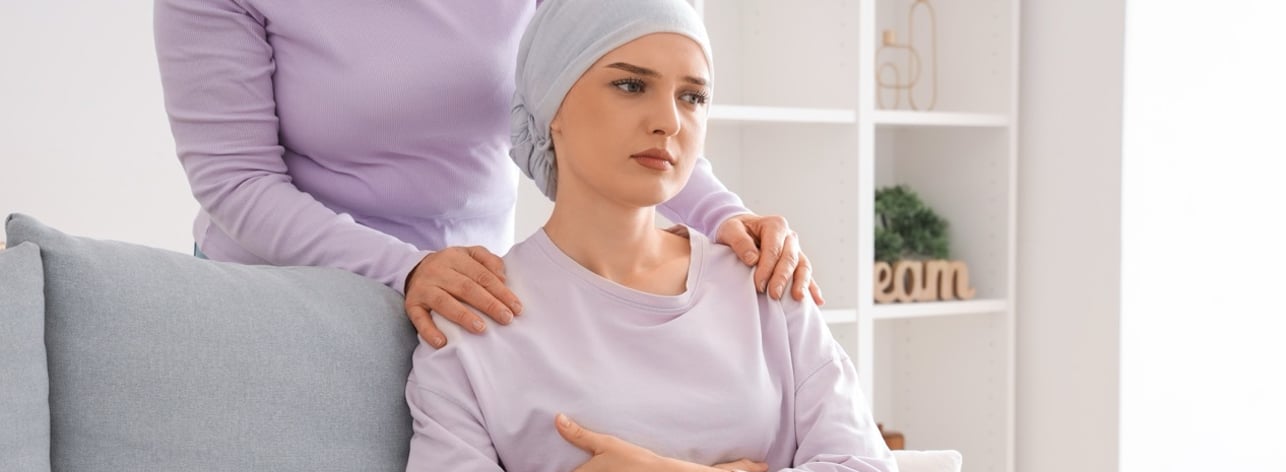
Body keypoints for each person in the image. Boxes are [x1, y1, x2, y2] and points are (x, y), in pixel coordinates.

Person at [399, 1, 1166, 472]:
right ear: (552, 105)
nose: (668, 120)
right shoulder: (476, 323)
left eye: (693, 96)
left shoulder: (760, 279)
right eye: (631, 85)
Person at [153, 1, 819, 349]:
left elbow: (631, 89)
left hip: (472, 291)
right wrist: (407, 270)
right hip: (279, 294)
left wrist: (727, 217)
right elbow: (235, 179)